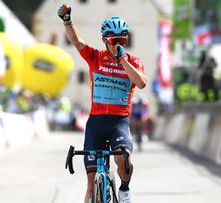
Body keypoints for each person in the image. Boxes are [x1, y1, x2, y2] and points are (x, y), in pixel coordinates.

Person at [58, 4, 147, 203]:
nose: (118, 44)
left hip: (119, 123)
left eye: (123, 39)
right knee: (90, 185)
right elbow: (77, 42)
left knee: (123, 160)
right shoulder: (95, 58)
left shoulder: (133, 61)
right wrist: (67, 21)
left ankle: (124, 189)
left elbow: (141, 82)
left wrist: (123, 60)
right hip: (96, 123)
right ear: (105, 40)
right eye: (114, 40)